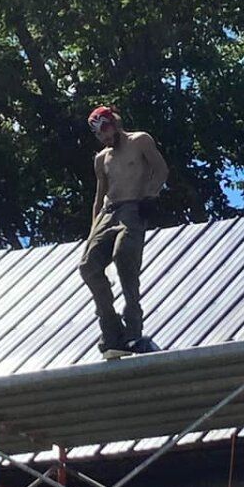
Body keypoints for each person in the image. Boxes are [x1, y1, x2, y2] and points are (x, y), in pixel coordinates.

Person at [79, 105, 168, 356]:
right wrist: (92, 231)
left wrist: (150, 196)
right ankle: (111, 331)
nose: (105, 137)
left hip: (132, 209)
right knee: (88, 267)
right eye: (99, 135)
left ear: (115, 123)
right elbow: (98, 198)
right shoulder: (101, 158)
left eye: (106, 129)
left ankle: (133, 332)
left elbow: (161, 169)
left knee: (124, 258)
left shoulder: (140, 140)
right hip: (108, 213)